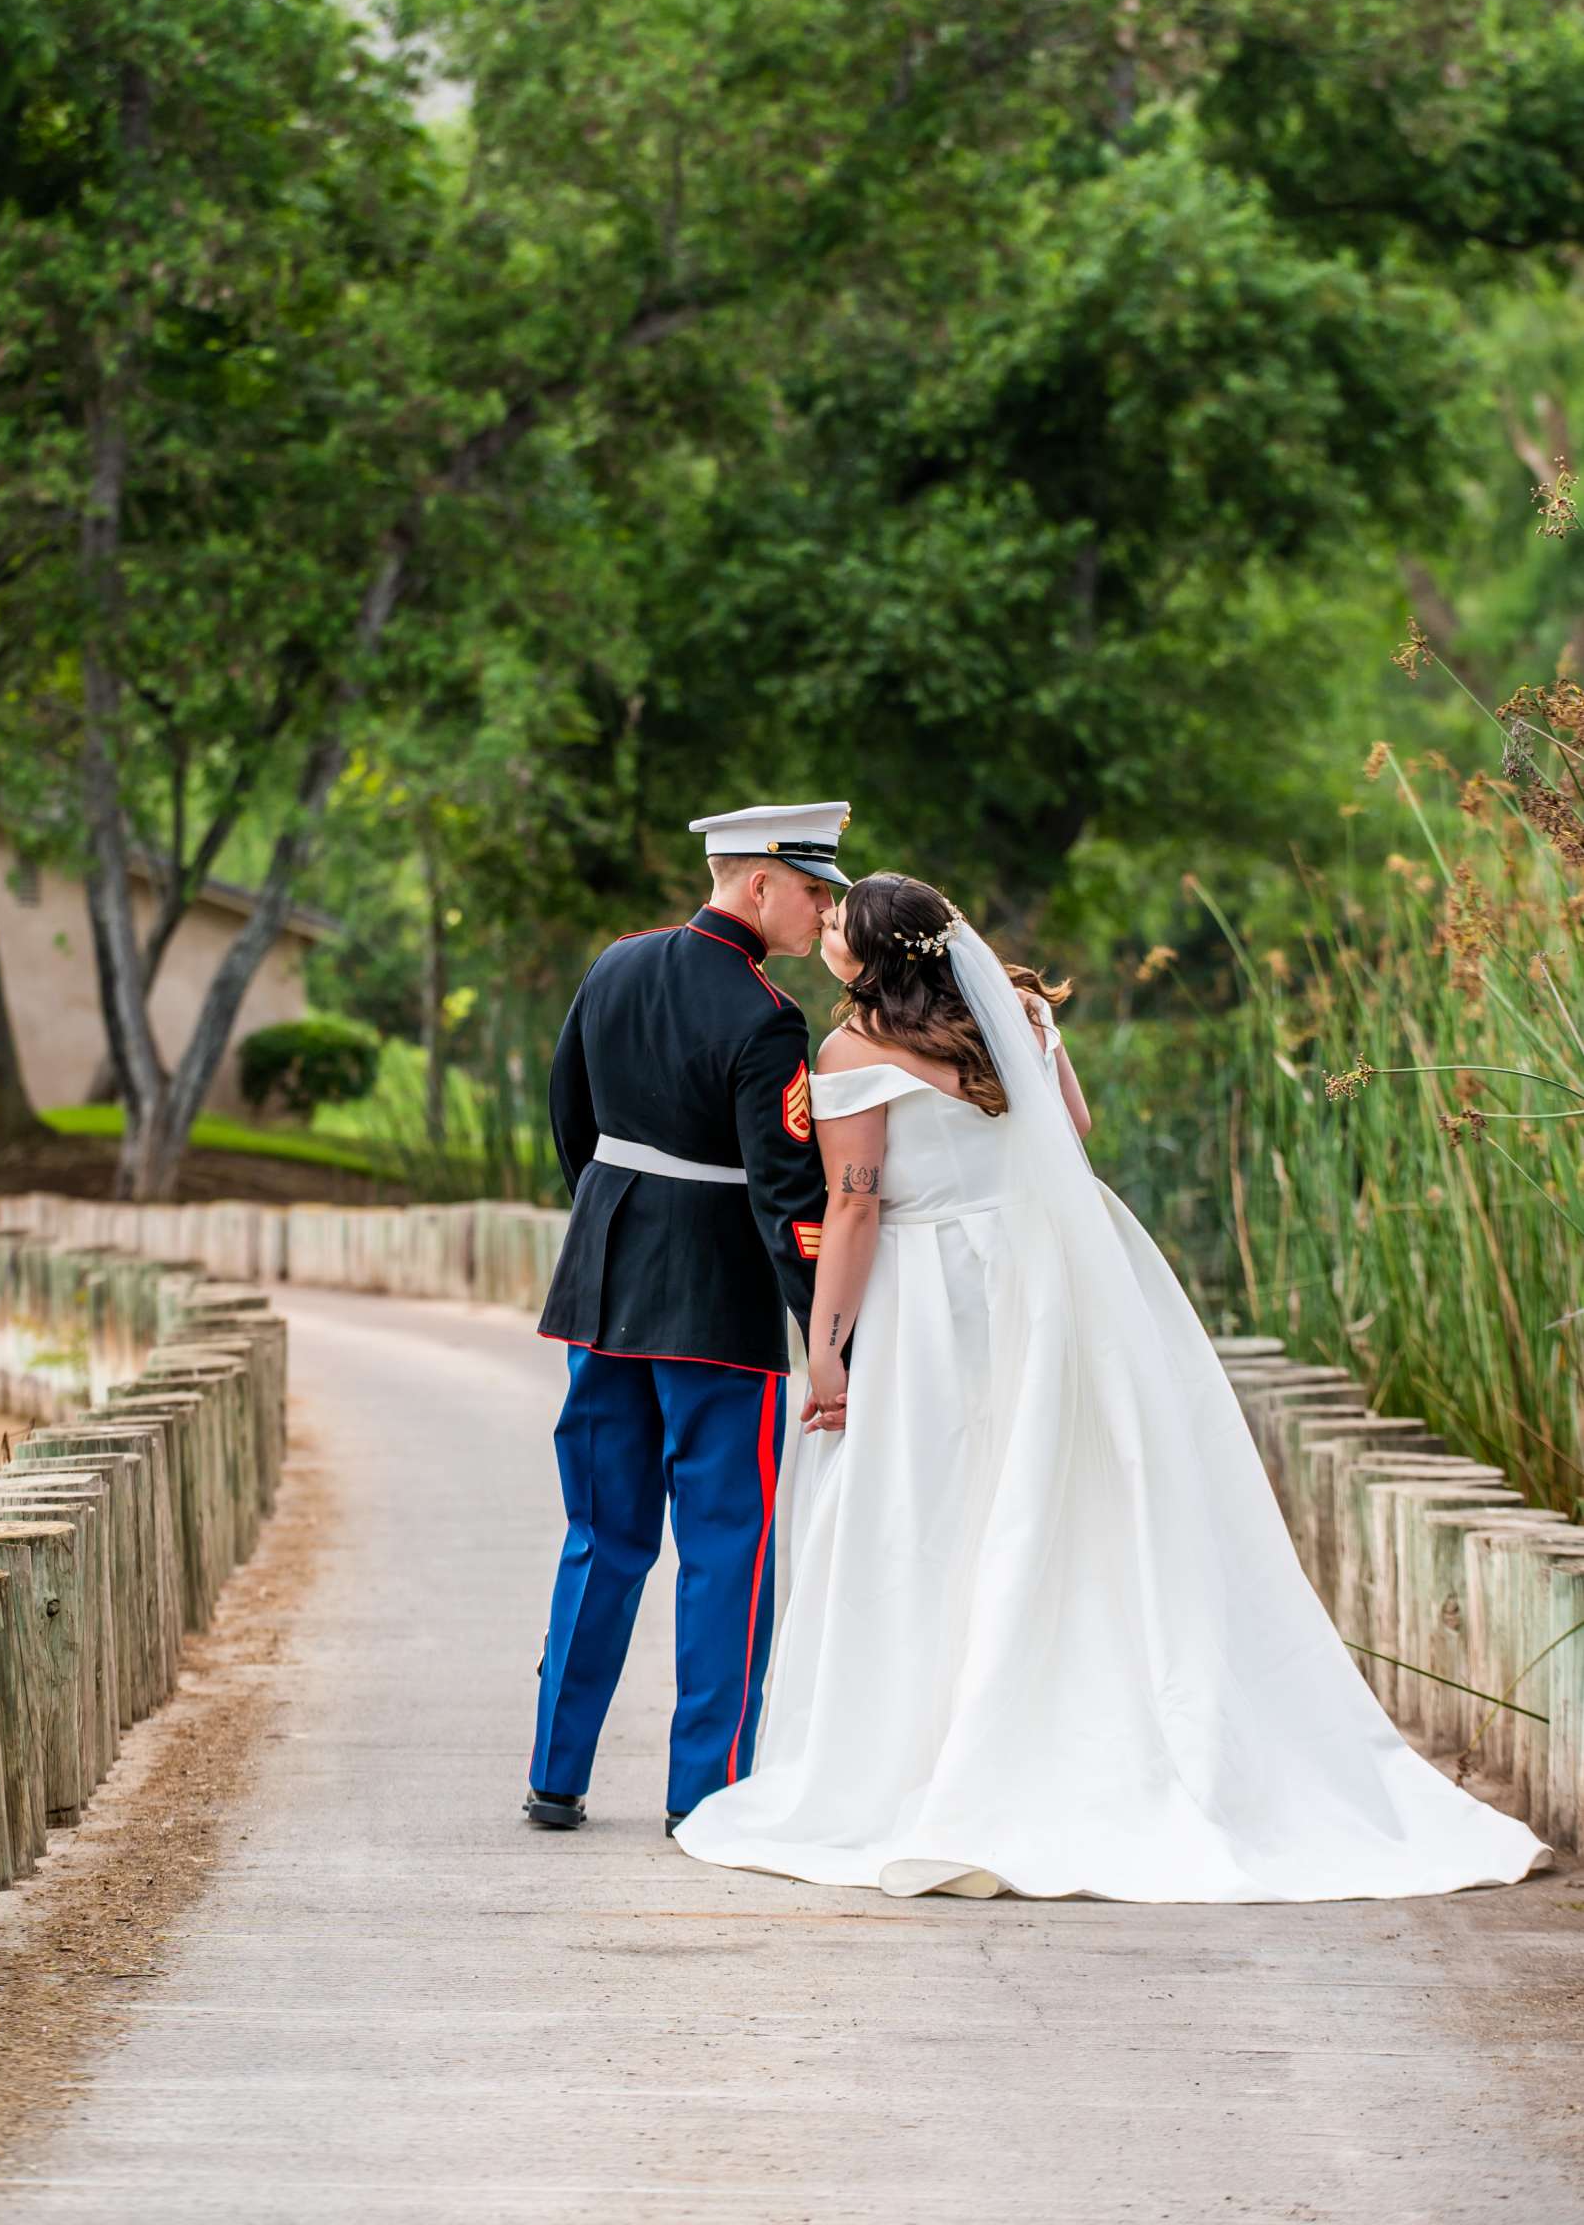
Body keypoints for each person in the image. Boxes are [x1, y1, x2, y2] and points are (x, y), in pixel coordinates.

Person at [674, 872, 1552, 1901]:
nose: (820, 932)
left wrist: (827, 1348)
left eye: (834, 926)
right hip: (1047, 1279)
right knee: (1062, 1500)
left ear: (870, 957)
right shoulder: (1028, 1017)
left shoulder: (852, 1053)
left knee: (937, 1508)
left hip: (933, 1296)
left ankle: (940, 1752)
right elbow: (1071, 1132)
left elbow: (856, 1213)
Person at [526, 801, 853, 1838]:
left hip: (603, 1284)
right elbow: (790, 1196)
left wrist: (614, 1224)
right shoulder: (767, 1017)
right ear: (758, 884)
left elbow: (569, 1118)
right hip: (715, 1302)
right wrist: (825, 1336)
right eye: (812, 889)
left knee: (602, 1534)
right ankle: (703, 1793)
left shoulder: (614, 966)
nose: (824, 908)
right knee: (727, 1546)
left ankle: (556, 1774)